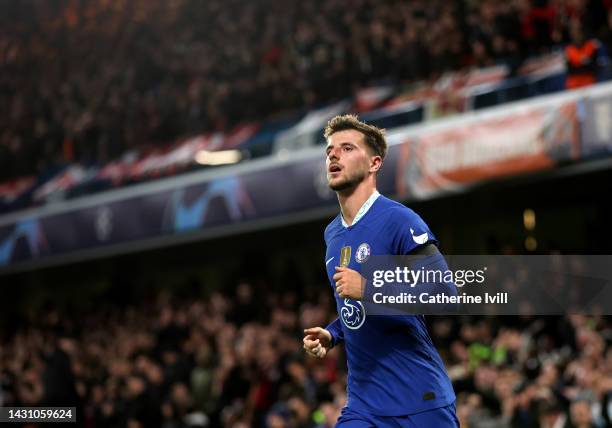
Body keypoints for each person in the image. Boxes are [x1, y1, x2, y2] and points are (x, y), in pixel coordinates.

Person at [303, 115, 459, 427]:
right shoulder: (332, 235)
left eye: (347, 148)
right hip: (365, 405)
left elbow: (445, 292)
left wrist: (368, 288)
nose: (333, 155)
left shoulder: (400, 220)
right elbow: (359, 306)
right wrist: (333, 332)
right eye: (330, 150)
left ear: (374, 164)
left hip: (419, 400)